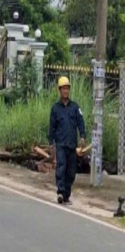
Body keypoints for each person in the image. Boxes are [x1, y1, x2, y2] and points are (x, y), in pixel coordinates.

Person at [49, 76, 86, 205]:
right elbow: (52, 127)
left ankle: (66, 196)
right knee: (61, 168)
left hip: (72, 145)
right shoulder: (55, 109)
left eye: (67, 89)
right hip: (61, 144)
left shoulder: (75, 107)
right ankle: (60, 192)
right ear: (60, 90)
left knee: (71, 172)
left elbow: (81, 123)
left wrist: (82, 136)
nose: (66, 91)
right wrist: (51, 143)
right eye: (63, 89)